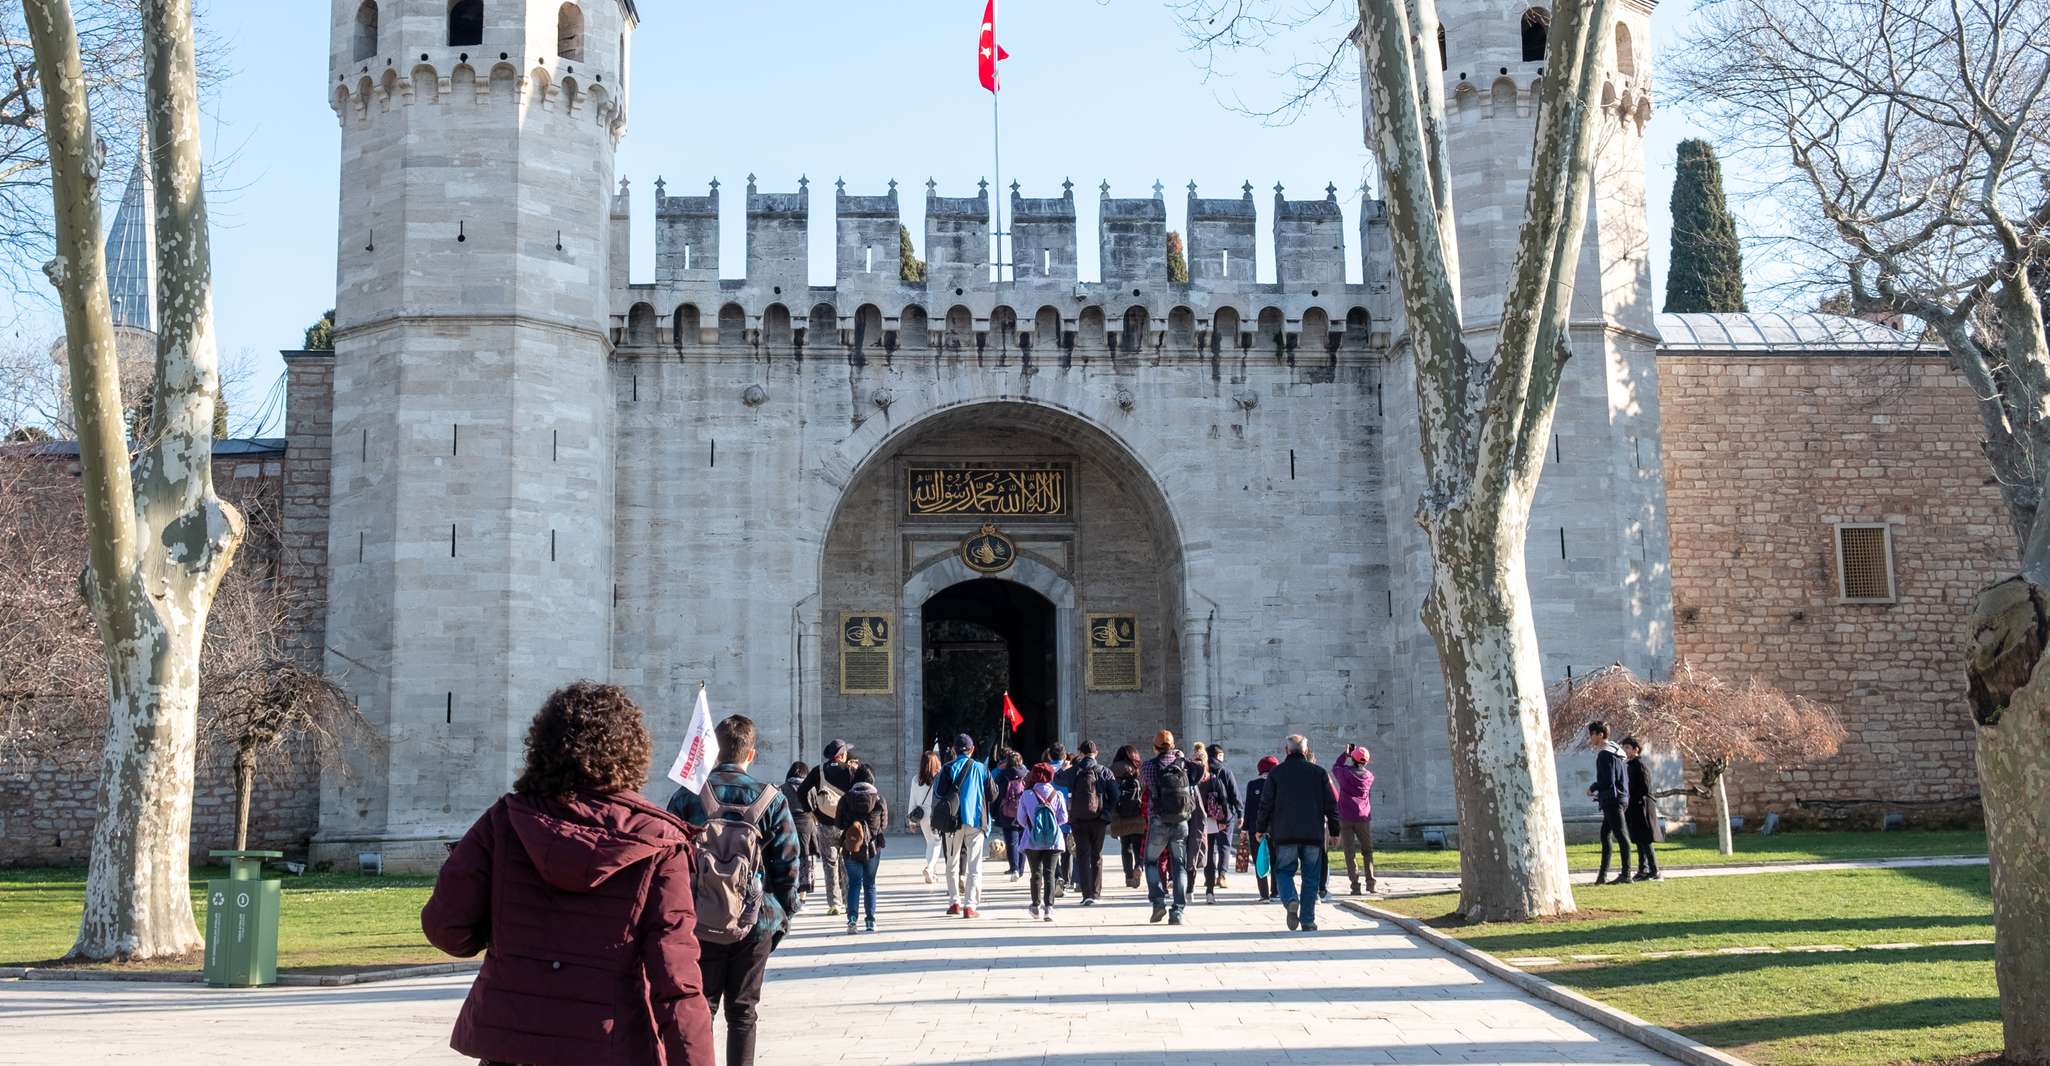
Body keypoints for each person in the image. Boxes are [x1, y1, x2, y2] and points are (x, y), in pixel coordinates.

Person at [421, 680, 716, 1066]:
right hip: (610, 1046)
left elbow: (447, 928)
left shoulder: (505, 821)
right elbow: (676, 982)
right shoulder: (659, 841)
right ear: (631, 751)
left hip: (515, 1045)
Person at [665, 713, 801, 1066]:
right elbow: (787, 864)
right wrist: (782, 912)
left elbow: (670, 860)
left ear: (714, 751)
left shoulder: (687, 798)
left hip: (700, 919)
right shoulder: (771, 800)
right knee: (743, 1012)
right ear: (751, 754)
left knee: (702, 1006)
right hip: (756, 921)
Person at [1258, 734, 1339, 932]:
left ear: (1287, 751)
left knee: (1284, 871)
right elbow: (1331, 804)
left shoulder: (1276, 773)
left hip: (1285, 833)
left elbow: (1266, 804)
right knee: (1311, 878)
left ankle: (1291, 899)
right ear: (1305, 751)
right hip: (1313, 834)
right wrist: (1335, 831)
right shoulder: (1319, 773)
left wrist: (1260, 828)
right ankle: (1308, 920)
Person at [933, 733, 998, 917]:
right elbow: (993, 794)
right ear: (972, 750)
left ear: (953, 750)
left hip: (952, 823)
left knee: (952, 863)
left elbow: (939, 792)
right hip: (976, 822)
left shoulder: (947, 769)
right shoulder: (981, 768)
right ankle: (970, 906)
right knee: (974, 864)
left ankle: (954, 902)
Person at [1140, 729, 1196, 925]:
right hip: (1181, 821)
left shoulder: (1148, 766)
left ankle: (1158, 902)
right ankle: (1178, 911)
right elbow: (1199, 774)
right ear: (1173, 745)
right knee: (1179, 865)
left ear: (1155, 747)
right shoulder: (1184, 765)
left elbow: (1144, 784)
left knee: (1151, 861)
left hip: (1158, 821)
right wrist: (1181, 757)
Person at [797, 740, 856, 915]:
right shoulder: (851, 771)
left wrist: (812, 811)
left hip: (825, 824)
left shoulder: (819, 770)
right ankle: (847, 901)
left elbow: (801, 792)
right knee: (846, 861)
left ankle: (834, 903)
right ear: (843, 755)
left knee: (830, 864)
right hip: (846, 824)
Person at [834, 764, 889, 933]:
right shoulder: (879, 799)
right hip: (872, 848)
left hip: (851, 848)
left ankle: (852, 921)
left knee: (854, 884)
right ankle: (870, 921)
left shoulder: (845, 798)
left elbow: (839, 823)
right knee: (870, 884)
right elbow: (884, 825)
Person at [1066, 740, 1118, 905]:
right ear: (1096, 753)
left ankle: (1086, 894)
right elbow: (1115, 794)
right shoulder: (1105, 771)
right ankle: (1096, 894)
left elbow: (1058, 779)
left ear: (1081, 753)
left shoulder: (1075, 770)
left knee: (1082, 855)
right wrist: (1107, 812)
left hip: (1078, 819)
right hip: (1099, 819)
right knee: (1097, 855)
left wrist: (1066, 765)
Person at [1016, 761, 1070, 920]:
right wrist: (1051, 827)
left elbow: (1020, 819)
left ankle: (1035, 905)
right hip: (1053, 841)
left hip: (1032, 841)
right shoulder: (1057, 795)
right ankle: (1049, 907)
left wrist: (1032, 827)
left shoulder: (1027, 795)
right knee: (1050, 873)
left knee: (1036, 873)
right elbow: (1064, 819)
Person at [1586, 720, 1634, 884]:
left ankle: (1626, 874)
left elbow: (1607, 780)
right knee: (1605, 834)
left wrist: (1592, 788)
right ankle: (1602, 876)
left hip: (1612, 799)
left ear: (1600, 734)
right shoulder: (1617, 751)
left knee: (1621, 836)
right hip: (1620, 797)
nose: (1591, 738)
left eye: (1592, 734)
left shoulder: (1604, 754)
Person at [1332, 743, 1377, 895]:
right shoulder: (1369, 776)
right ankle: (1371, 884)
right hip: (1363, 817)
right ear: (1367, 761)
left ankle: (1355, 886)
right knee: (1367, 850)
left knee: (1349, 852)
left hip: (1346, 816)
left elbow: (1336, 766)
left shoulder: (1344, 773)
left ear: (1353, 758)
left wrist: (1345, 754)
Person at [1621, 736, 1662, 881]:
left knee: (1645, 839)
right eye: (1624, 747)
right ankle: (1643, 869)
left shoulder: (1640, 765)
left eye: (1627, 747)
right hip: (1634, 806)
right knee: (1638, 839)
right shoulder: (1629, 765)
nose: (1625, 750)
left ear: (1635, 749)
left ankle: (1655, 870)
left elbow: (1645, 787)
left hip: (1642, 805)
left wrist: (1635, 800)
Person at [1205, 744, 1243, 894]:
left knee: (1209, 847)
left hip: (1208, 815)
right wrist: (1240, 813)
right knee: (1224, 846)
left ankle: (1209, 876)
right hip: (1225, 815)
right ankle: (1222, 875)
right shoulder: (1225, 771)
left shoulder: (1203, 771)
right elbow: (1234, 793)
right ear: (1219, 756)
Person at [1109, 744, 1148, 890]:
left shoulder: (1113, 769)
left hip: (1120, 814)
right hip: (1137, 813)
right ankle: (1139, 866)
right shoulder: (1139, 769)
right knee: (1138, 845)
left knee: (1125, 847)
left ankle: (1128, 876)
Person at [1243, 754, 1280, 901]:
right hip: (1276, 828)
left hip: (1255, 828)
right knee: (1275, 860)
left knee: (1260, 860)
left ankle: (1264, 894)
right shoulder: (1279, 784)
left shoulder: (1252, 784)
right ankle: (1275, 892)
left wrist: (1245, 828)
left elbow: (1249, 808)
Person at [908, 749, 947, 884]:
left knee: (929, 843)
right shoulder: (939, 778)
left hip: (922, 816)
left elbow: (912, 800)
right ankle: (930, 869)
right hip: (935, 815)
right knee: (936, 843)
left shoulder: (915, 779)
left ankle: (932, 874)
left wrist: (911, 822)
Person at [781, 760, 816, 909]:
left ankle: (790, 895)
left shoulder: (782, 788)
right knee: (806, 862)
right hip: (807, 826)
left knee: (788, 860)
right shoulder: (810, 788)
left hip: (787, 825)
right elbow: (815, 806)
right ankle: (802, 899)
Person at [993, 749, 1028, 880]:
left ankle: (1014, 868)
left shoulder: (1002, 775)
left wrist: (995, 812)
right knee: (1022, 841)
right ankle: (1021, 868)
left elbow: (996, 794)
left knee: (1011, 842)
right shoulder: (1026, 774)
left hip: (1007, 812)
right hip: (1023, 811)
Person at [1181, 744, 1210, 902]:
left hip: (1183, 820)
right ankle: (1199, 889)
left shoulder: (1185, 778)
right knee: (1198, 855)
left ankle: (1184, 889)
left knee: (1182, 854)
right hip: (1204, 823)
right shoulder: (1209, 777)